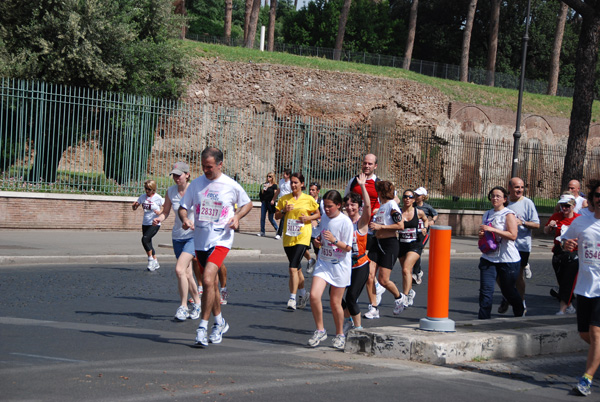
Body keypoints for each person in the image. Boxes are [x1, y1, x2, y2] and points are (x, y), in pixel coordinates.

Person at [179, 147, 252, 346]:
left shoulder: (230, 185)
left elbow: (247, 203)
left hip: (221, 239)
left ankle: (203, 327)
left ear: (220, 164)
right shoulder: (196, 184)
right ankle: (220, 322)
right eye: (203, 166)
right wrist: (185, 219)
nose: (206, 170)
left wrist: (236, 217)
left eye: (209, 167)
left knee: (209, 279)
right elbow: (183, 208)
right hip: (201, 240)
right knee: (210, 285)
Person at [561, 179, 600, 396]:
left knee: (596, 333)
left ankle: (586, 379)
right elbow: (564, 239)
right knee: (585, 334)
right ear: (593, 198)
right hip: (586, 286)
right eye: (598, 195)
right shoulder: (582, 221)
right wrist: (565, 244)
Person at [152, 162, 201, 321]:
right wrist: (159, 218)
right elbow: (165, 211)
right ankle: (198, 303)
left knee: (179, 270)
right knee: (187, 274)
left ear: (187, 175)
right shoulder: (170, 191)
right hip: (177, 236)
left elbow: (204, 210)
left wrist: (196, 224)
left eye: (179, 175)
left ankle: (183, 307)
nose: (175, 178)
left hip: (194, 236)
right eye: (173, 175)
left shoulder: (196, 190)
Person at [308, 190, 354, 349]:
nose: (326, 210)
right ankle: (320, 330)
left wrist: (334, 240)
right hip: (324, 262)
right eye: (325, 207)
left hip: (340, 265)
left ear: (339, 205)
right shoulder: (325, 217)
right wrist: (318, 242)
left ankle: (340, 334)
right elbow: (320, 235)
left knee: (335, 303)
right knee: (314, 295)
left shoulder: (345, 222)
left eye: (330, 207)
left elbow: (348, 247)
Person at [343, 153, 385, 319]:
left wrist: (378, 212)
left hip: (371, 230)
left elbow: (391, 201)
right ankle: (353, 302)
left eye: (370, 164)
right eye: (364, 163)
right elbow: (345, 198)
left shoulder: (378, 182)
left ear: (375, 166)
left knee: (370, 274)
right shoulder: (354, 181)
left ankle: (373, 306)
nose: (366, 166)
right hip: (354, 229)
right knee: (356, 270)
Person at [275, 172, 320, 310]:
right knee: (298, 269)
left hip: (303, 236)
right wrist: (284, 210)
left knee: (292, 268)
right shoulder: (285, 199)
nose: (293, 185)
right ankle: (303, 293)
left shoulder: (308, 199)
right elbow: (276, 215)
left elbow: (317, 213)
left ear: (302, 184)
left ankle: (292, 298)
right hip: (289, 237)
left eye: (296, 182)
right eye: (292, 182)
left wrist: (309, 219)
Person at [477, 186, 524, 319]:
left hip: (507, 259)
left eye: (498, 196)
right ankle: (483, 319)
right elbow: (485, 233)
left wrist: (493, 230)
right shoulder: (487, 214)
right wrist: (482, 234)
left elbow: (513, 235)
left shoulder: (508, 214)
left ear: (504, 199)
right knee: (486, 291)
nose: (495, 198)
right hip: (489, 257)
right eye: (492, 196)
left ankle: (519, 311)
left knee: (508, 291)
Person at [497, 177, 540, 315]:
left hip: (521, 245)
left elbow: (537, 224)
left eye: (521, 187)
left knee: (518, 276)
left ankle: (521, 303)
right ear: (509, 188)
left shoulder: (527, 203)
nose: (520, 190)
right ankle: (508, 295)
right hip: (505, 245)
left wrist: (522, 223)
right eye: (516, 187)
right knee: (498, 275)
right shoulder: (505, 203)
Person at [367, 181, 405, 318]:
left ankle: (399, 297)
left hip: (389, 244)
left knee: (383, 280)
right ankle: (374, 307)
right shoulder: (382, 206)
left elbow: (400, 225)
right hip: (377, 243)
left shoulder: (392, 205)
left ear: (381, 192)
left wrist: (380, 227)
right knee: (369, 275)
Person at [341, 173, 371, 335]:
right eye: (348, 204)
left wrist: (363, 186)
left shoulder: (362, 222)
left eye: (353, 205)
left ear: (358, 206)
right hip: (345, 266)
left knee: (352, 298)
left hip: (360, 265)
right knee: (335, 295)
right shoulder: (344, 222)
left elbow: (368, 208)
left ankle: (358, 329)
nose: (350, 207)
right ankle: (348, 320)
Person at [544, 193, 580, 315]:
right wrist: (550, 226)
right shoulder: (556, 216)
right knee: (561, 279)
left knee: (567, 280)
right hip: (558, 252)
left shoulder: (578, 219)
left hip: (573, 253)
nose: (564, 209)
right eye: (562, 206)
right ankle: (569, 304)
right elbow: (546, 231)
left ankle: (563, 308)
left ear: (573, 206)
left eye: (567, 206)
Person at [396, 189, 428, 311]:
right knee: (405, 272)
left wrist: (425, 228)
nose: (407, 199)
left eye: (410, 197)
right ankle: (410, 293)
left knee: (406, 269)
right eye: (405, 197)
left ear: (414, 199)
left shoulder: (418, 212)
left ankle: (404, 297)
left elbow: (425, 219)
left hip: (415, 244)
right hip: (402, 244)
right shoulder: (398, 212)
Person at [132, 179, 164, 271]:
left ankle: (150, 260)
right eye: (146, 188)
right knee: (148, 242)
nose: (147, 191)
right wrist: (134, 205)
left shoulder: (158, 198)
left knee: (145, 239)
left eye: (149, 189)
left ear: (153, 189)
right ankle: (155, 261)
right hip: (145, 222)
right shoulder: (143, 197)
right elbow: (135, 207)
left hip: (154, 223)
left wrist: (159, 212)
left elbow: (165, 207)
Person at [412, 186, 438, 285]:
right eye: (415, 194)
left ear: (423, 197)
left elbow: (435, 214)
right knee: (413, 252)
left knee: (417, 251)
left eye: (418, 195)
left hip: (423, 233)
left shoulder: (427, 207)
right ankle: (418, 272)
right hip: (413, 232)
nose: (416, 196)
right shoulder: (412, 205)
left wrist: (432, 221)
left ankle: (416, 273)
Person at [306, 181, 323, 274]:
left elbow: (325, 216)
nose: (311, 192)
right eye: (310, 190)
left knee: (318, 252)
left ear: (318, 191)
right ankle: (310, 259)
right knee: (302, 248)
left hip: (317, 231)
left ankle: (319, 270)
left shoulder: (321, 202)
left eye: (313, 190)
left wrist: (318, 221)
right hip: (307, 229)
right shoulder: (307, 201)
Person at [257, 172, 278, 237]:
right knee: (262, 217)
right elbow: (263, 193)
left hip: (270, 203)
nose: (268, 178)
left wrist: (273, 200)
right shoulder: (265, 184)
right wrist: (265, 187)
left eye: (270, 176)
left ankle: (277, 229)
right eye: (267, 176)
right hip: (264, 202)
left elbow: (275, 194)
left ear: (272, 178)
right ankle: (262, 231)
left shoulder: (274, 186)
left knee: (270, 218)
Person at [273, 169, 292, 240]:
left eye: (285, 174)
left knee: (284, 218)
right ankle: (282, 232)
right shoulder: (281, 181)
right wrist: (273, 199)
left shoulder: (290, 183)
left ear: (288, 175)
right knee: (278, 215)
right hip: (281, 201)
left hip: (288, 201)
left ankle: (279, 233)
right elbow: (278, 190)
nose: (284, 175)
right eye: (283, 174)